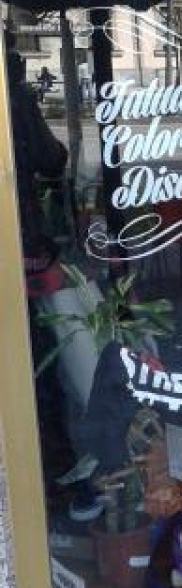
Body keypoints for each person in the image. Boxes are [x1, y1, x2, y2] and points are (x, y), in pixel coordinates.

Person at [6, 50, 101, 521]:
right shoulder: (13, 96)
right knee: (43, 364)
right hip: (21, 248)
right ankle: (56, 473)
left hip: (21, 247)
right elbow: (50, 159)